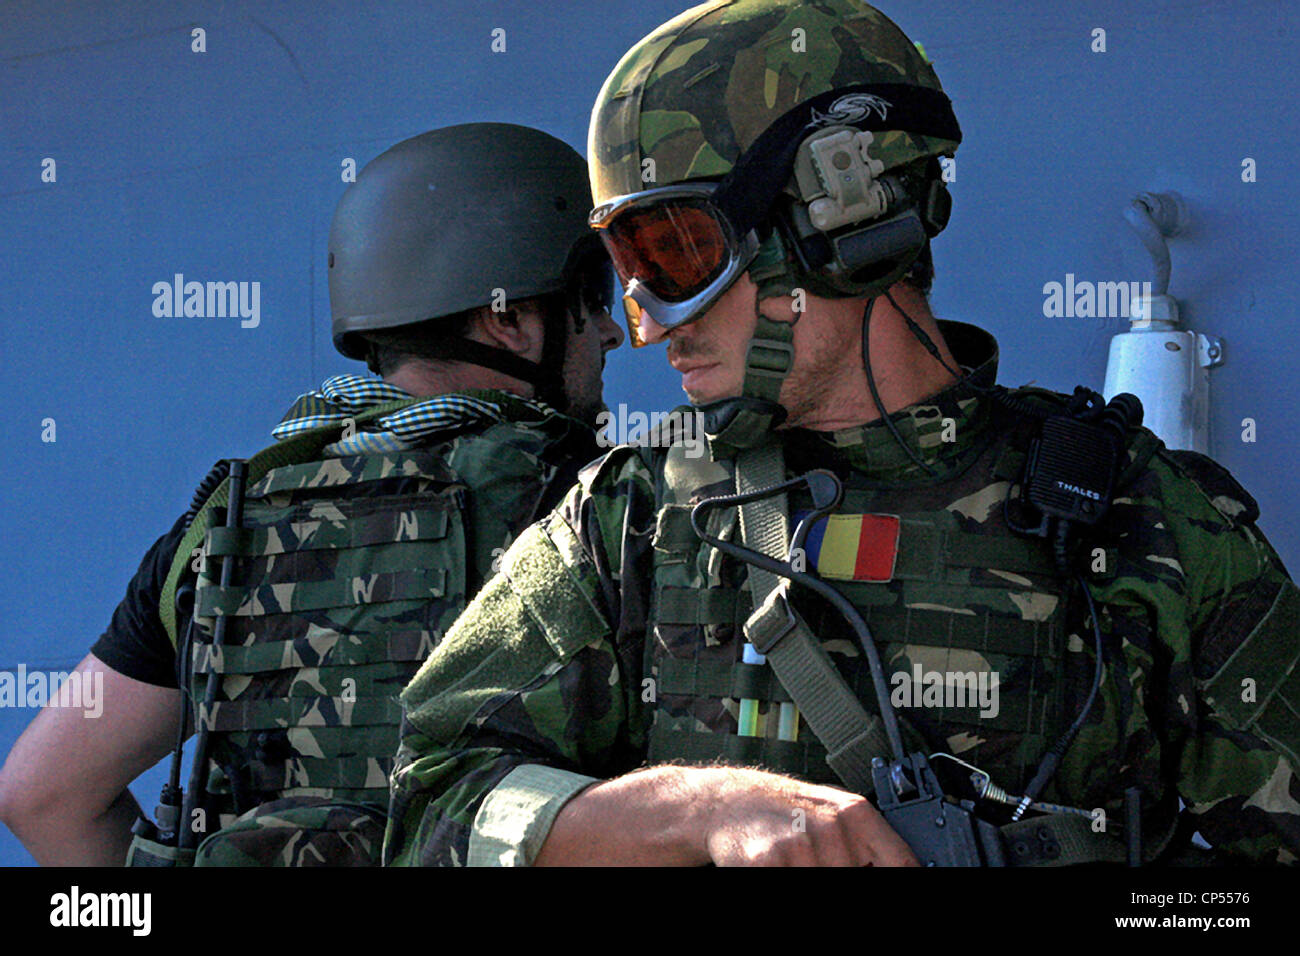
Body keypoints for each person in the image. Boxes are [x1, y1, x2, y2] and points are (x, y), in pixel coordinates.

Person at [384, 0, 1300, 867]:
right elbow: (433, 802)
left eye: (678, 254)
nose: (651, 324)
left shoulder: (1146, 523)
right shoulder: (630, 520)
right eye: (629, 265)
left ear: (844, 218)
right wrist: (701, 811)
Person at [0, 122, 624, 866]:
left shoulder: (227, 525)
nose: (612, 332)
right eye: (592, 297)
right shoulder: (605, 508)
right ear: (512, 320)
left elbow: (42, 796)